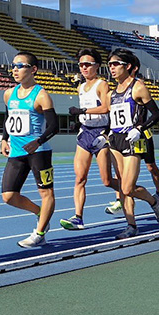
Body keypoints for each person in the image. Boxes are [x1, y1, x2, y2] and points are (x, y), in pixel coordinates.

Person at [0, 51, 59, 247]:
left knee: (46, 193)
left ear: (33, 69)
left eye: (20, 66)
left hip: (38, 153)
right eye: (13, 65)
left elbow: (54, 126)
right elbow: (8, 119)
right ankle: (40, 212)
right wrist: (4, 139)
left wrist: (39, 142)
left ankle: (39, 233)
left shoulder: (41, 95)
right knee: (8, 196)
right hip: (17, 152)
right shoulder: (9, 94)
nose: (15, 69)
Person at [106, 48, 159, 239]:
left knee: (127, 188)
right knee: (122, 186)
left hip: (134, 140)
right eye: (109, 65)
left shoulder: (138, 87)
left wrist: (139, 128)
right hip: (115, 140)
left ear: (128, 66)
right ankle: (131, 225)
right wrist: (104, 133)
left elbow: (156, 114)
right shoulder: (111, 93)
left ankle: (153, 201)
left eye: (115, 64)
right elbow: (111, 118)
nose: (111, 68)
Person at [59, 48, 117, 230]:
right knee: (79, 178)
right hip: (85, 133)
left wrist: (82, 111)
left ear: (97, 66)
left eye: (88, 64)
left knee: (106, 180)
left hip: (101, 133)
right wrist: (80, 119)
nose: (83, 68)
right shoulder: (80, 87)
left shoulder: (102, 85)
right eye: (81, 65)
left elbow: (106, 108)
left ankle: (128, 192)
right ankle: (78, 217)